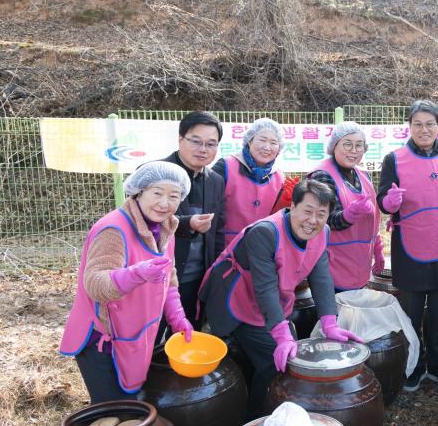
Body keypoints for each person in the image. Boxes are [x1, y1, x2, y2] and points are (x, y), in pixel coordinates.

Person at [199, 179, 361, 417]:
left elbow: (321, 276)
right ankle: (254, 420)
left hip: (269, 303)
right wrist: (281, 335)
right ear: (293, 206)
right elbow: (264, 288)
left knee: (286, 354)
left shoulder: (323, 232)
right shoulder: (265, 232)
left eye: (321, 214)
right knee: (275, 364)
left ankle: (272, 412)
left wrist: (329, 323)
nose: (313, 220)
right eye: (307, 211)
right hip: (237, 300)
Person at [59, 162, 193, 403]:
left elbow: (169, 280)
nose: (165, 203)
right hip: (104, 338)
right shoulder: (113, 229)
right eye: (157, 193)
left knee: (132, 406)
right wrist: (137, 273)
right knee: (114, 410)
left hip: (137, 332)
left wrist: (177, 318)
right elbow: (95, 283)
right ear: (139, 192)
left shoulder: (165, 227)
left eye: (173, 196)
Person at [376, 100, 438, 391]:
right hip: (410, 245)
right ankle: (413, 366)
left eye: (430, 124)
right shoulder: (395, 158)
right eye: (418, 124)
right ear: (409, 126)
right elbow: (383, 197)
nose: (424, 129)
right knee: (411, 313)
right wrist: (389, 203)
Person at [157, 111, 226, 342]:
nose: (203, 149)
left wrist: (216, 272)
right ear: (180, 139)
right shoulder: (157, 173)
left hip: (198, 279)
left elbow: (218, 230)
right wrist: (188, 224)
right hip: (159, 278)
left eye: (210, 144)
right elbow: (142, 224)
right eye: (195, 141)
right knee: (154, 340)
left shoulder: (215, 180)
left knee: (188, 338)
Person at [307, 122, 383, 291]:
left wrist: (378, 249)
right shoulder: (322, 175)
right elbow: (322, 220)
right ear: (334, 146)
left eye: (359, 145)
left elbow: (373, 221)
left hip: (361, 262)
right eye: (347, 144)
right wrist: (349, 215)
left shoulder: (363, 175)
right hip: (333, 264)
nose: (354, 150)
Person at [213, 117, 286, 246]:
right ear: (250, 140)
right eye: (262, 140)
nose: (267, 147)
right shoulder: (226, 166)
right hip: (223, 245)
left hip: (260, 248)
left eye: (274, 142)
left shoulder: (279, 177)